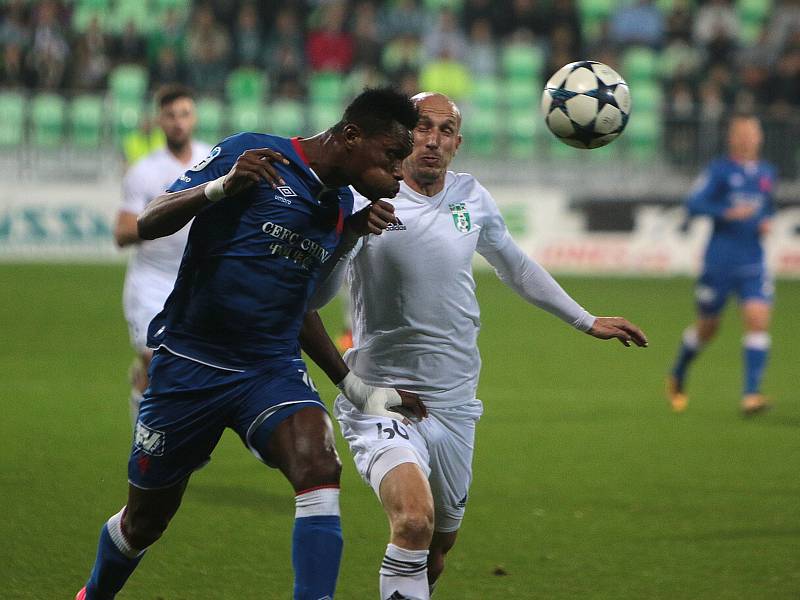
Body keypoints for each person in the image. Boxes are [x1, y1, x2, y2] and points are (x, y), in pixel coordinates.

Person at [76, 87, 423, 600]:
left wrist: (350, 385)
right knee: (144, 523)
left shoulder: (341, 204)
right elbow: (150, 221)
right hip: (191, 363)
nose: (399, 173)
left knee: (319, 465)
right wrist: (220, 187)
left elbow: (302, 302)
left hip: (269, 368)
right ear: (352, 136)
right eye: (393, 156)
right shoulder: (256, 153)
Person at [303, 92, 648, 600]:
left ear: (457, 143)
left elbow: (515, 265)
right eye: (422, 128)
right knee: (414, 523)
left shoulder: (471, 196)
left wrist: (584, 319)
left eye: (445, 131)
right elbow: (314, 296)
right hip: (384, 398)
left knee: (438, 548)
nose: (432, 140)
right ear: (403, 134)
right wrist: (351, 236)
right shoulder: (364, 196)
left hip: (455, 403)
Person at [114, 84, 211, 424]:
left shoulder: (212, 160)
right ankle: (146, 434)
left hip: (198, 280)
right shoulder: (144, 170)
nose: (178, 123)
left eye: (184, 114)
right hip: (152, 279)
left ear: (194, 118)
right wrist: (163, 218)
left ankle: (173, 433)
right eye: (170, 116)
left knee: (192, 368)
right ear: (159, 121)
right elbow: (122, 232)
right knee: (157, 361)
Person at [667, 113, 776, 415]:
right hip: (719, 263)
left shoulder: (767, 172)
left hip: (753, 261)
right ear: (731, 138)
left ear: (760, 137)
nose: (746, 138)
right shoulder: (719, 171)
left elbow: (768, 208)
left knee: (757, 319)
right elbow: (693, 203)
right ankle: (678, 371)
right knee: (707, 329)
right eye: (741, 133)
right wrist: (726, 211)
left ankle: (751, 395)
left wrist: (766, 221)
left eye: (751, 133)